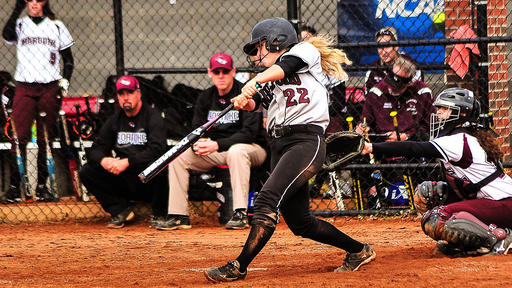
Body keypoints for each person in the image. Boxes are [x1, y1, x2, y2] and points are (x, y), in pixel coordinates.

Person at [204, 18, 375, 283]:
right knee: (301, 223)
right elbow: (257, 102)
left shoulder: (303, 52)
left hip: (305, 142)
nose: (257, 54)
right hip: (280, 146)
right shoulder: (270, 77)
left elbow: (287, 67)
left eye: (260, 46)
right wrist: (244, 101)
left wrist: (255, 81)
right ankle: (358, 250)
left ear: (276, 40)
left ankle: (238, 266)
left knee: (265, 201)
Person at [362, 87, 512, 256]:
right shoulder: (467, 136)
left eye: (445, 109)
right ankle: (470, 242)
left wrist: (371, 147)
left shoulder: (458, 140)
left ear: (461, 114)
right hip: (490, 201)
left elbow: (413, 148)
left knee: (436, 218)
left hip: (504, 204)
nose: (439, 113)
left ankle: (500, 237)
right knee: (427, 193)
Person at [156, 53, 267, 231]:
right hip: (217, 151)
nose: (221, 76)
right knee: (179, 158)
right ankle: (179, 215)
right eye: (217, 72)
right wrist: (198, 144)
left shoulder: (244, 93)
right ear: (210, 73)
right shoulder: (206, 97)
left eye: (225, 71)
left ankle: (240, 213)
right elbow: (196, 129)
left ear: (233, 72)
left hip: (251, 150)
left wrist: (216, 145)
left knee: (236, 151)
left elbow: (249, 134)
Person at [2, 0, 74, 202]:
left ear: (45, 2)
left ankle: (42, 187)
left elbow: (68, 58)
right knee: (19, 137)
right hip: (25, 86)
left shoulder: (56, 25)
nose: (34, 3)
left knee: (45, 138)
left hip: (49, 86)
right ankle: (16, 187)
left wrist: (65, 81)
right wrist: (17, 8)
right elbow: (7, 35)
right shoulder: (20, 24)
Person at [78, 75, 169, 229]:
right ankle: (120, 210)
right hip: (124, 179)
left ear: (139, 94)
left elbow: (157, 150)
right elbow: (96, 148)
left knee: (159, 168)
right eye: (121, 94)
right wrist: (104, 161)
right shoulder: (115, 120)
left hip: (148, 180)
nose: (126, 98)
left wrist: (128, 162)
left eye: (129, 93)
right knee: (87, 171)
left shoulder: (152, 116)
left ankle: (160, 213)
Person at [357, 56, 434, 142]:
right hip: (383, 142)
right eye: (390, 82)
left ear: (409, 83)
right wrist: (362, 127)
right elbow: (365, 120)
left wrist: (407, 135)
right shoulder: (375, 92)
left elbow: (430, 123)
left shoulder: (423, 92)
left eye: (397, 87)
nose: (391, 88)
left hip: (412, 142)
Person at [364, 26, 423, 93]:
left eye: (387, 46)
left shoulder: (411, 65)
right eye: (380, 47)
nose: (383, 52)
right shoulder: (373, 70)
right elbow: (368, 99)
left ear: (396, 46)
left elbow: (420, 95)